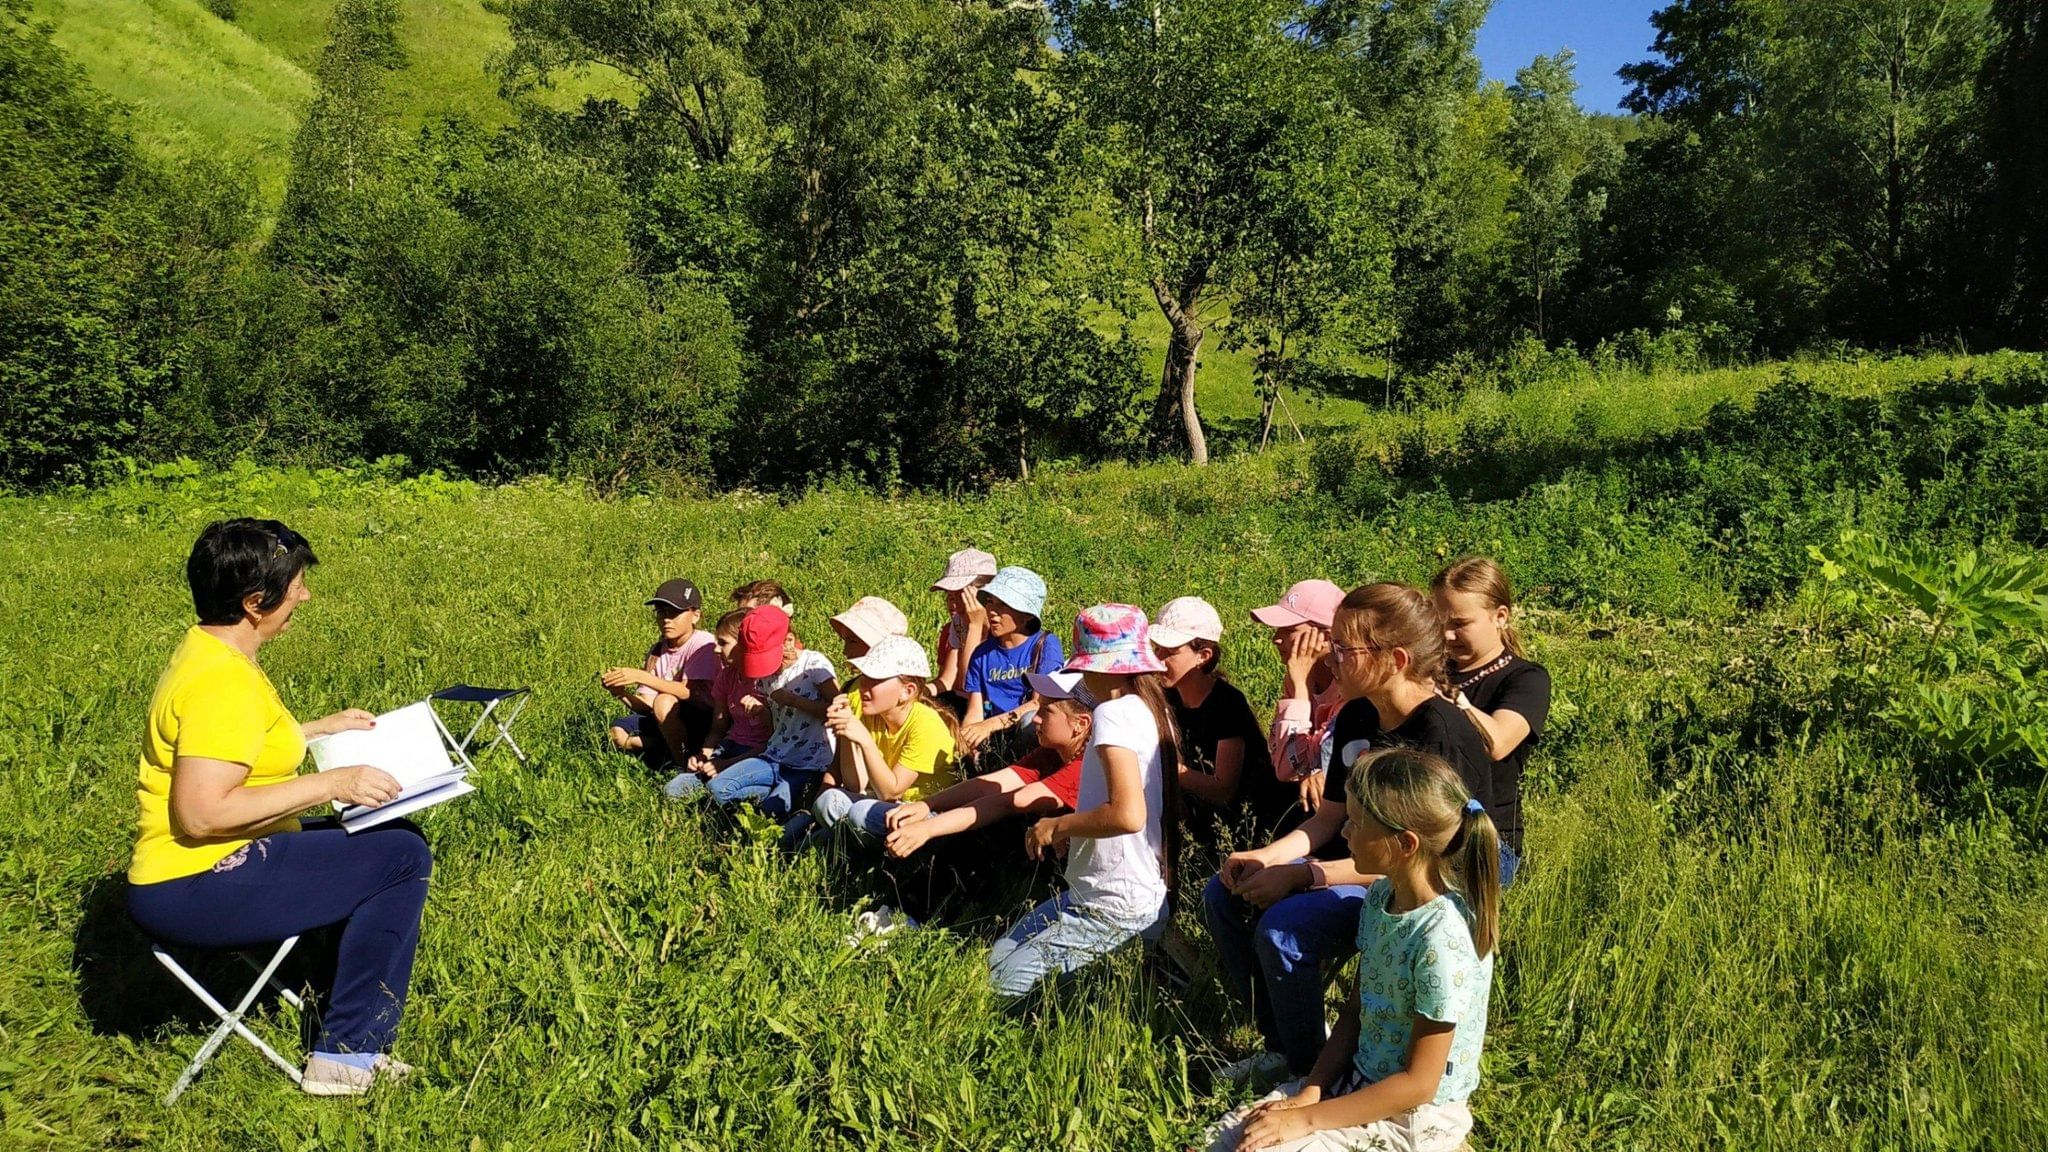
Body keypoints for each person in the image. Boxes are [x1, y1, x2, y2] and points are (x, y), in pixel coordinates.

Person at [125, 519, 432, 1096]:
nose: (305, 595)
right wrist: (331, 782)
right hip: (192, 884)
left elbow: (233, 747)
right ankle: (347, 1055)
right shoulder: (223, 686)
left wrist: (318, 729)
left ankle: (327, 997)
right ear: (254, 602)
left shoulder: (209, 652)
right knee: (400, 856)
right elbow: (202, 814)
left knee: (393, 834)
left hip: (192, 869)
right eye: (296, 584)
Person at [1203, 583, 1491, 1085]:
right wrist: (1268, 857)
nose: (1329, 659)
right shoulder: (1357, 713)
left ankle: (1312, 1070)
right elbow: (1328, 818)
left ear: (1395, 659)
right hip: (1374, 860)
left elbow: (1424, 860)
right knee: (1221, 894)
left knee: (1285, 929)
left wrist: (1304, 877)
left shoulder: (1438, 737)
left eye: (1342, 648)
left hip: (1430, 883)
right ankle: (1282, 1043)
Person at [1199, 749, 1499, 1152]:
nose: (1343, 833)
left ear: (1405, 844)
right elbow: (1357, 1011)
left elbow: (1419, 1084)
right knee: (1226, 1136)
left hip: (1413, 1116)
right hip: (1356, 1080)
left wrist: (1306, 1119)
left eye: (1356, 824)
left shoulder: (1440, 941)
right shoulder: (1379, 899)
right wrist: (1311, 1091)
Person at [988, 605, 1180, 1000]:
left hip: (1113, 908)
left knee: (999, 988)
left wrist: (1056, 826)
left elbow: (1127, 814)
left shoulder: (1111, 714)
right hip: (1092, 893)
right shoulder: (1146, 707)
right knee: (996, 962)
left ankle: (1128, 971)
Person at [880, 678, 1092, 860]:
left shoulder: (1087, 762)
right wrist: (928, 804)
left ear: (1080, 724)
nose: (1035, 718)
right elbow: (989, 785)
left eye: (1047, 711)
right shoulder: (1052, 752)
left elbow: (1012, 801)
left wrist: (927, 829)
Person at [1433, 557, 1549, 885]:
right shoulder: (1434, 670)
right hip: (1427, 828)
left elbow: (1497, 743)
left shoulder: (1525, 679)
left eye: (1460, 623)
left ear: (1500, 617)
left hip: (1488, 841)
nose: (1447, 635)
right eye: (1439, 622)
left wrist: (1452, 698)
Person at [787, 635, 957, 853]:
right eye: (864, 676)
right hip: (882, 804)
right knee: (828, 800)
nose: (864, 686)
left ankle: (832, 844)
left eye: (876, 680)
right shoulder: (872, 709)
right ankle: (845, 847)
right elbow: (854, 784)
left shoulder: (926, 724)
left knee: (860, 813)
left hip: (924, 813)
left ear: (908, 691)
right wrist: (847, 730)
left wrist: (865, 740)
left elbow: (891, 792)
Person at [1151, 596, 1295, 854]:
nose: (1157, 660)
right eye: (1156, 649)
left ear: (1203, 656)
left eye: (1169, 652)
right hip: (1195, 819)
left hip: (1244, 826)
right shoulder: (1167, 698)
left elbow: (1223, 788)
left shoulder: (1227, 704)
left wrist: (1166, 769)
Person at [668, 606, 839, 817]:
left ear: (788, 640)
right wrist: (761, 713)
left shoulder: (814, 666)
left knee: (772, 812)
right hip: (773, 755)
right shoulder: (765, 675)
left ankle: (764, 804)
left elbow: (840, 709)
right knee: (718, 788)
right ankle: (756, 798)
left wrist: (795, 701)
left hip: (808, 763)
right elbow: (773, 726)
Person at [1252, 580, 1347, 816]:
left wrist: (1301, 690)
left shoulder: (1350, 688)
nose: (1276, 639)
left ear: (1325, 637)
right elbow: (1282, 761)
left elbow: (1291, 768)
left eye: (1289, 630)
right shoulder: (1297, 676)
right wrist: (1300, 686)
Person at [604, 579, 718, 770]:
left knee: (664, 701)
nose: (666, 619)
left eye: (674, 613)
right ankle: (667, 747)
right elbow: (647, 705)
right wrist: (620, 693)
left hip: (703, 718)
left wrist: (643, 677)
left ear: (695, 616)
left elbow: (689, 692)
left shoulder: (703, 644)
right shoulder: (657, 651)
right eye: (661, 612)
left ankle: (681, 766)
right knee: (617, 732)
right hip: (667, 717)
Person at [960, 566, 1064, 762]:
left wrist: (989, 725)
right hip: (993, 736)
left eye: (1003, 605)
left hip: (1026, 730)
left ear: (1027, 615)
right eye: (990, 602)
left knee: (1029, 721)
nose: (993, 612)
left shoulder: (1045, 645)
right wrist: (968, 736)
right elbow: (975, 710)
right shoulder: (981, 654)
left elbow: (1039, 702)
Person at [668, 610, 771, 793]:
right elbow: (718, 727)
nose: (716, 649)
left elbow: (773, 740)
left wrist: (725, 765)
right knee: (673, 790)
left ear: (745, 644)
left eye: (723, 643)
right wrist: (704, 755)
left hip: (758, 753)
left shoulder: (766, 681)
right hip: (730, 745)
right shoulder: (727, 676)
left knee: (719, 789)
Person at [930, 547, 998, 709]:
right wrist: (924, 690)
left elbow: (969, 681)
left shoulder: (1001, 626)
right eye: (949, 595)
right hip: (965, 699)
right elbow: (949, 679)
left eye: (960, 595)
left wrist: (975, 626)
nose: (952, 604)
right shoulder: (959, 622)